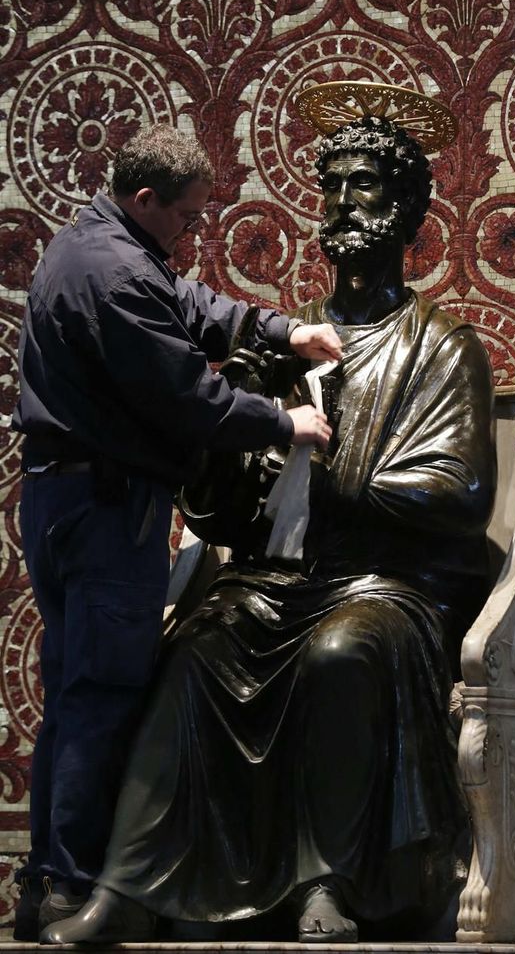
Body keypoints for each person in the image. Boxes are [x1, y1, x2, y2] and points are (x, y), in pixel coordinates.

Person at [42, 113, 496, 946]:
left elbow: (460, 490)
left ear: (406, 213)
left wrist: (336, 486)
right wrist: (224, 450)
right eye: (333, 187)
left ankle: (331, 881)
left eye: (365, 186)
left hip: (381, 585)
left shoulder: (442, 346)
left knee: (342, 653)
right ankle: (129, 886)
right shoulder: (287, 335)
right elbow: (224, 505)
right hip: (274, 580)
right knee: (192, 655)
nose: (343, 203)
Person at [11, 123, 341, 941]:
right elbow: (187, 397)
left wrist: (279, 331)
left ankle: (45, 881)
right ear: (145, 197)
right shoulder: (115, 275)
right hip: (105, 508)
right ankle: (70, 887)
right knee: (103, 696)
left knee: (76, 693)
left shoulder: (103, 242)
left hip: (70, 499)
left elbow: (184, 301)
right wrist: (283, 420)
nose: (192, 234)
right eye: (187, 219)